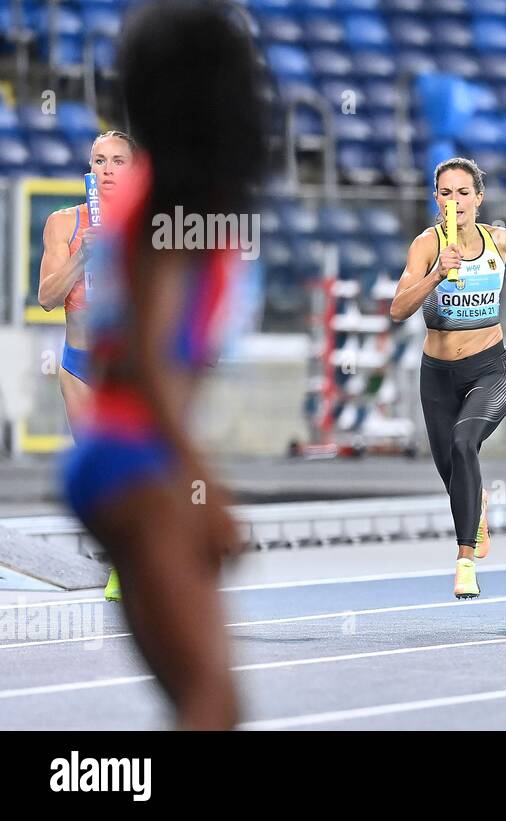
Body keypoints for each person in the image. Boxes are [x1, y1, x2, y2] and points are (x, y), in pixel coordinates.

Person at [60, 0, 268, 729]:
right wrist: (201, 480)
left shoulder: (168, 196)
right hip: (132, 459)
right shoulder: (171, 204)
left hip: (124, 458)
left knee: (208, 702)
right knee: (212, 701)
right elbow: (147, 359)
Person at [390, 157, 506, 599]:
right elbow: (397, 309)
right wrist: (436, 274)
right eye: (446, 193)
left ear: (479, 198)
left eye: (463, 193)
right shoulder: (427, 246)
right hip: (437, 376)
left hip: (491, 369)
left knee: (463, 442)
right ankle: (478, 505)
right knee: (452, 471)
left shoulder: (499, 239)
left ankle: (464, 562)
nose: (455, 202)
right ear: (436, 198)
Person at [38, 130, 137, 602]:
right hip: (78, 366)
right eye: (100, 160)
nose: (108, 170)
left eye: (119, 161)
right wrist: (83, 257)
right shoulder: (64, 223)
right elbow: (45, 298)